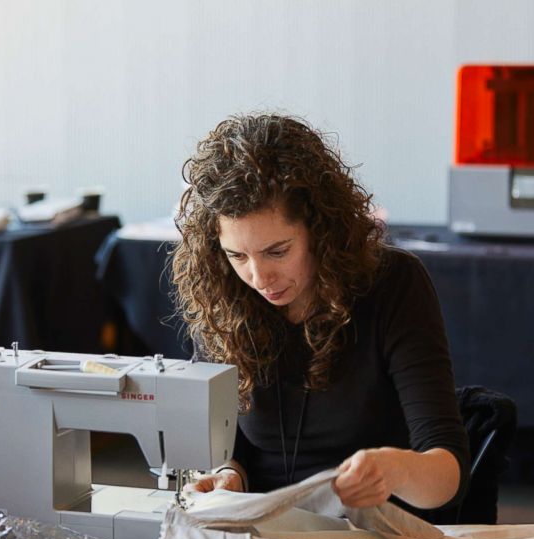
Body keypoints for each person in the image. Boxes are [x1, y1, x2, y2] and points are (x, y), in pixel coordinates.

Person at [172, 113, 469, 514]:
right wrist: (229, 474)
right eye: (237, 255)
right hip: (266, 532)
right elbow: (233, 448)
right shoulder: (224, 296)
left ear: (321, 229)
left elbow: (446, 475)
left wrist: (395, 471)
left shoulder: (394, 284)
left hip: (377, 537)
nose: (259, 277)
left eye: (278, 251)